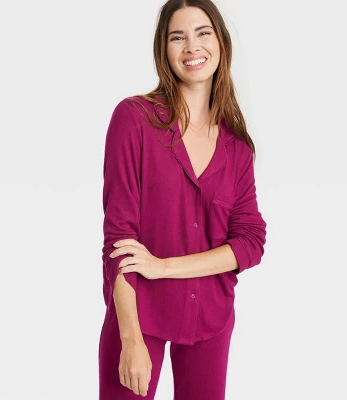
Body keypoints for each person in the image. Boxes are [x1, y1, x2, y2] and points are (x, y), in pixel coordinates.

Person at [98, 0, 267, 398]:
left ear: (221, 42)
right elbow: (119, 240)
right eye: (178, 37)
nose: (192, 47)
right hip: (139, 312)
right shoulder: (134, 120)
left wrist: (163, 267)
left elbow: (250, 241)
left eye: (202, 33)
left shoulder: (237, 148)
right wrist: (130, 338)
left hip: (210, 316)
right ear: (164, 50)